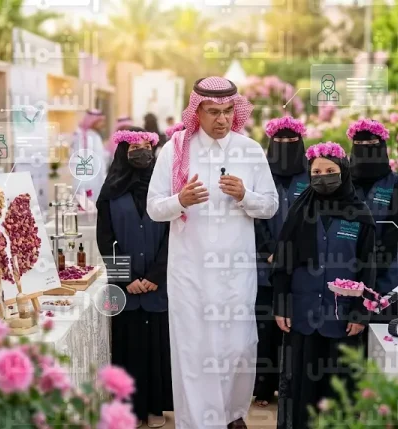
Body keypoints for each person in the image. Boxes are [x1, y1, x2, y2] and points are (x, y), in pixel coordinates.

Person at [146, 76, 278, 429]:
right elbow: (154, 208)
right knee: (194, 349)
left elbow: (270, 206)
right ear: (197, 112)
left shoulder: (249, 150)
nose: (222, 119)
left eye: (228, 111)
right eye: (213, 112)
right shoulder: (175, 150)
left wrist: (245, 196)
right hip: (190, 272)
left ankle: (233, 414)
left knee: (239, 346)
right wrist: (180, 200)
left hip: (236, 273)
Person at [270, 142, 376, 429]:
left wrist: (360, 312)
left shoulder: (360, 214)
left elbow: (368, 267)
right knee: (301, 389)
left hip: (342, 318)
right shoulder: (299, 212)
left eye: (330, 171)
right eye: (316, 172)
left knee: (338, 389)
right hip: (302, 316)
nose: (323, 177)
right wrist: (281, 305)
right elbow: (282, 264)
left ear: (343, 171)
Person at [97, 126, 172, 428]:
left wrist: (156, 275)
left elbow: (173, 236)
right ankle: (130, 409)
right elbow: (105, 240)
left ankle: (155, 407)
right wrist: (126, 278)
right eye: (133, 148)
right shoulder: (109, 193)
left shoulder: (164, 190)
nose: (141, 153)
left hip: (157, 284)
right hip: (124, 287)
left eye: (146, 147)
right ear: (122, 153)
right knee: (129, 347)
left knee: (156, 346)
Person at [252, 116, 310, 408]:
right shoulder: (260, 174)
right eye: (280, 141)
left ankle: (290, 385)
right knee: (265, 328)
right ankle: (264, 387)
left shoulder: (310, 175)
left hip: (299, 265)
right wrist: (269, 250)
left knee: (293, 326)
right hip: (265, 266)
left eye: (291, 141)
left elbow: (313, 218)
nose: (285, 146)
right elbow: (253, 215)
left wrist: (291, 251)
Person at [346, 119, 398, 323]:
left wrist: (373, 270)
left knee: (382, 330)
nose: (365, 149)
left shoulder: (394, 182)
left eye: (371, 144)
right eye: (359, 145)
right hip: (347, 268)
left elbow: (396, 230)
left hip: (384, 272)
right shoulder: (344, 181)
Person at [70, 109, 107, 201]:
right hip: (87, 180)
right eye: (100, 121)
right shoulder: (85, 136)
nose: (102, 124)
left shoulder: (94, 136)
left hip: (95, 180)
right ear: (94, 121)